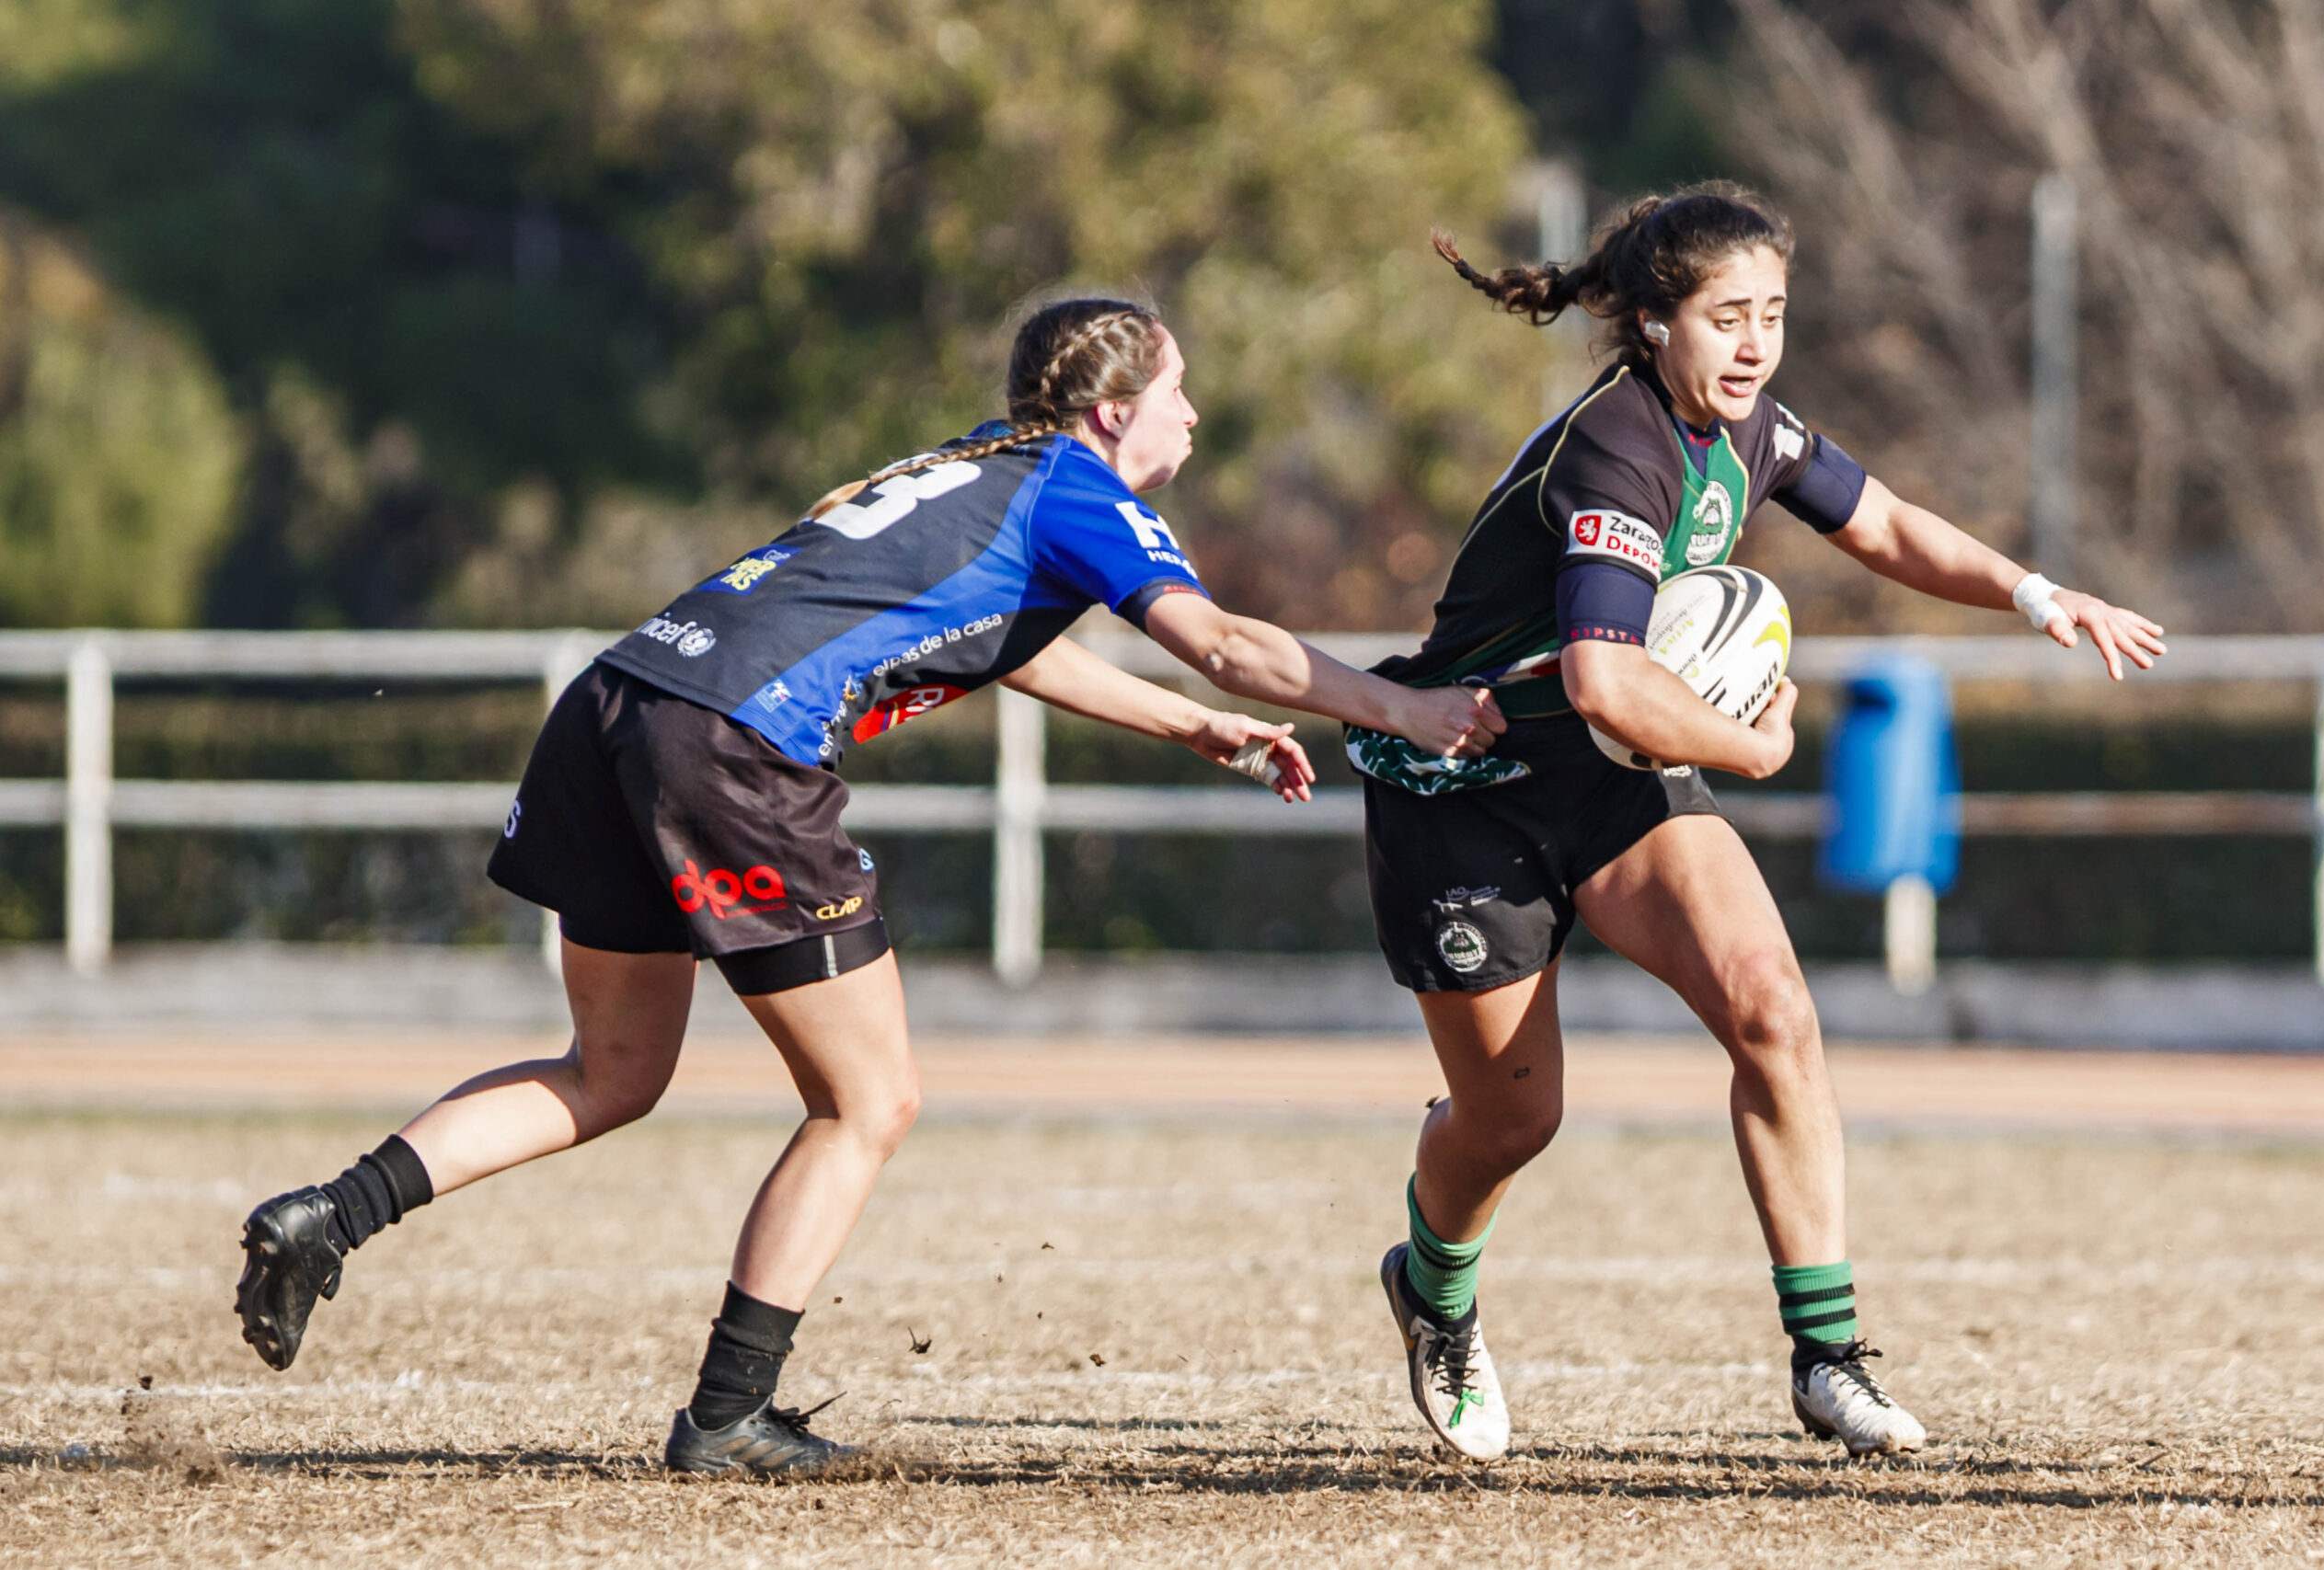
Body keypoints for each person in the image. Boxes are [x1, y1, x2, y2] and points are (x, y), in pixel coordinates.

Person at [233, 297, 1505, 1477]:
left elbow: (1013, 647)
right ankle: (729, 1415)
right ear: (1110, 410)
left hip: (622, 700)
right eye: (1178, 390)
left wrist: (1184, 730)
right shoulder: (1076, 485)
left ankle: (327, 1217)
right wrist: (1406, 708)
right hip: (734, 741)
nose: (1192, 415)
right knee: (869, 1100)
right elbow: (1227, 644)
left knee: (610, 1073)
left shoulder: (963, 469)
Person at [1353, 185, 2166, 1461]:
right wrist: (1756, 745)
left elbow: (1885, 522)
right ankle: (1434, 1288)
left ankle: (1828, 1361)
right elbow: (1604, 681)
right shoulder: (1616, 452)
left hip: (1614, 780)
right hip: (1466, 791)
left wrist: (2031, 590)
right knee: (1515, 1119)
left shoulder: (1753, 433)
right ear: (1653, 324)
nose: (1754, 344)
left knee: (1772, 1008)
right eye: (1727, 318)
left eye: (1772, 316)